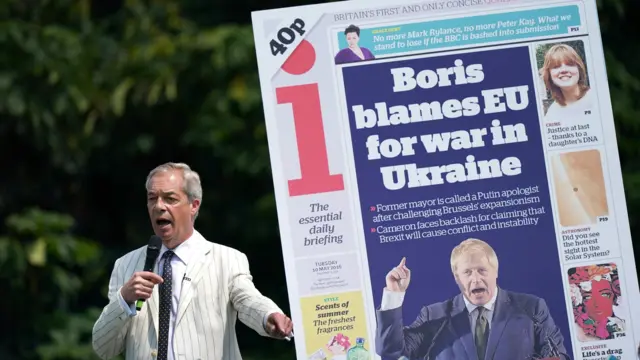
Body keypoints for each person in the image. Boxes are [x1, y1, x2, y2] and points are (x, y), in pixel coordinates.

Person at [91, 162, 293, 360]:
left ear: (194, 206)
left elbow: (248, 299)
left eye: (170, 199)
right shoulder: (126, 265)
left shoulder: (227, 259)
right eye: (152, 198)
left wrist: (268, 316)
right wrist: (124, 300)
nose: (159, 206)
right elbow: (104, 349)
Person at [375, 238, 570, 360]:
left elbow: (558, 356)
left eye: (482, 270)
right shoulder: (434, 316)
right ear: (457, 278)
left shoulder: (531, 308)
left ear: (496, 272)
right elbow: (390, 352)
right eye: (467, 272)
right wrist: (394, 294)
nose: (476, 278)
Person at [541, 43, 593, 121]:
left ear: (579, 69)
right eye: (556, 67)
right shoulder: (552, 114)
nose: (564, 70)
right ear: (549, 75)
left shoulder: (596, 97)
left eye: (570, 64)